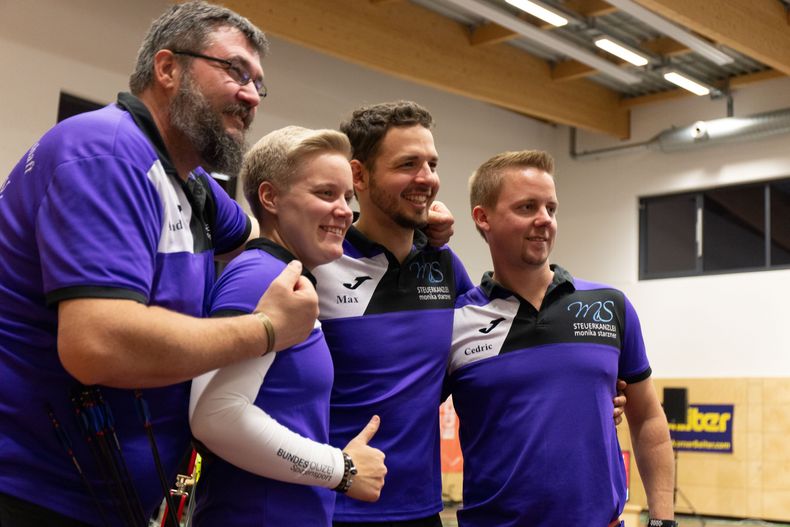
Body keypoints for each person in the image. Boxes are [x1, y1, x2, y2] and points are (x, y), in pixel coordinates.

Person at [0, 3, 318, 526]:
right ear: (167, 69)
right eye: (236, 71)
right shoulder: (106, 153)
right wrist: (266, 329)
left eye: (259, 84)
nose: (251, 96)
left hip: (106, 502)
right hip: (34, 497)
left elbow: (258, 238)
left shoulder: (188, 183)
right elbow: (97, 343)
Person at [447, 150, 675, 526]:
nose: (544, 220)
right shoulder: (456, 321)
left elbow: (648, 416)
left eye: (551, 208)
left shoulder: (608, 306)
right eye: (527, 207)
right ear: (482, 218)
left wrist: (663, 519)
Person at [188, 126, 387, 526]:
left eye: (347, 197)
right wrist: (342, 469)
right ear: (270, 197)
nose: (345, 211)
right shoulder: (260, 277)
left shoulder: (287, 277)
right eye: (325, 194)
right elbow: (214, 416)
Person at [311, 101, 473, 527]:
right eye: (408, 164)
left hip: (422, 510)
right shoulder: (318, 261)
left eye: (432, 164)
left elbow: (492, 353)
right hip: (332, 508)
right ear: (358, 175)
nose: (427, 179)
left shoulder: (445, 265)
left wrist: (592, 391)